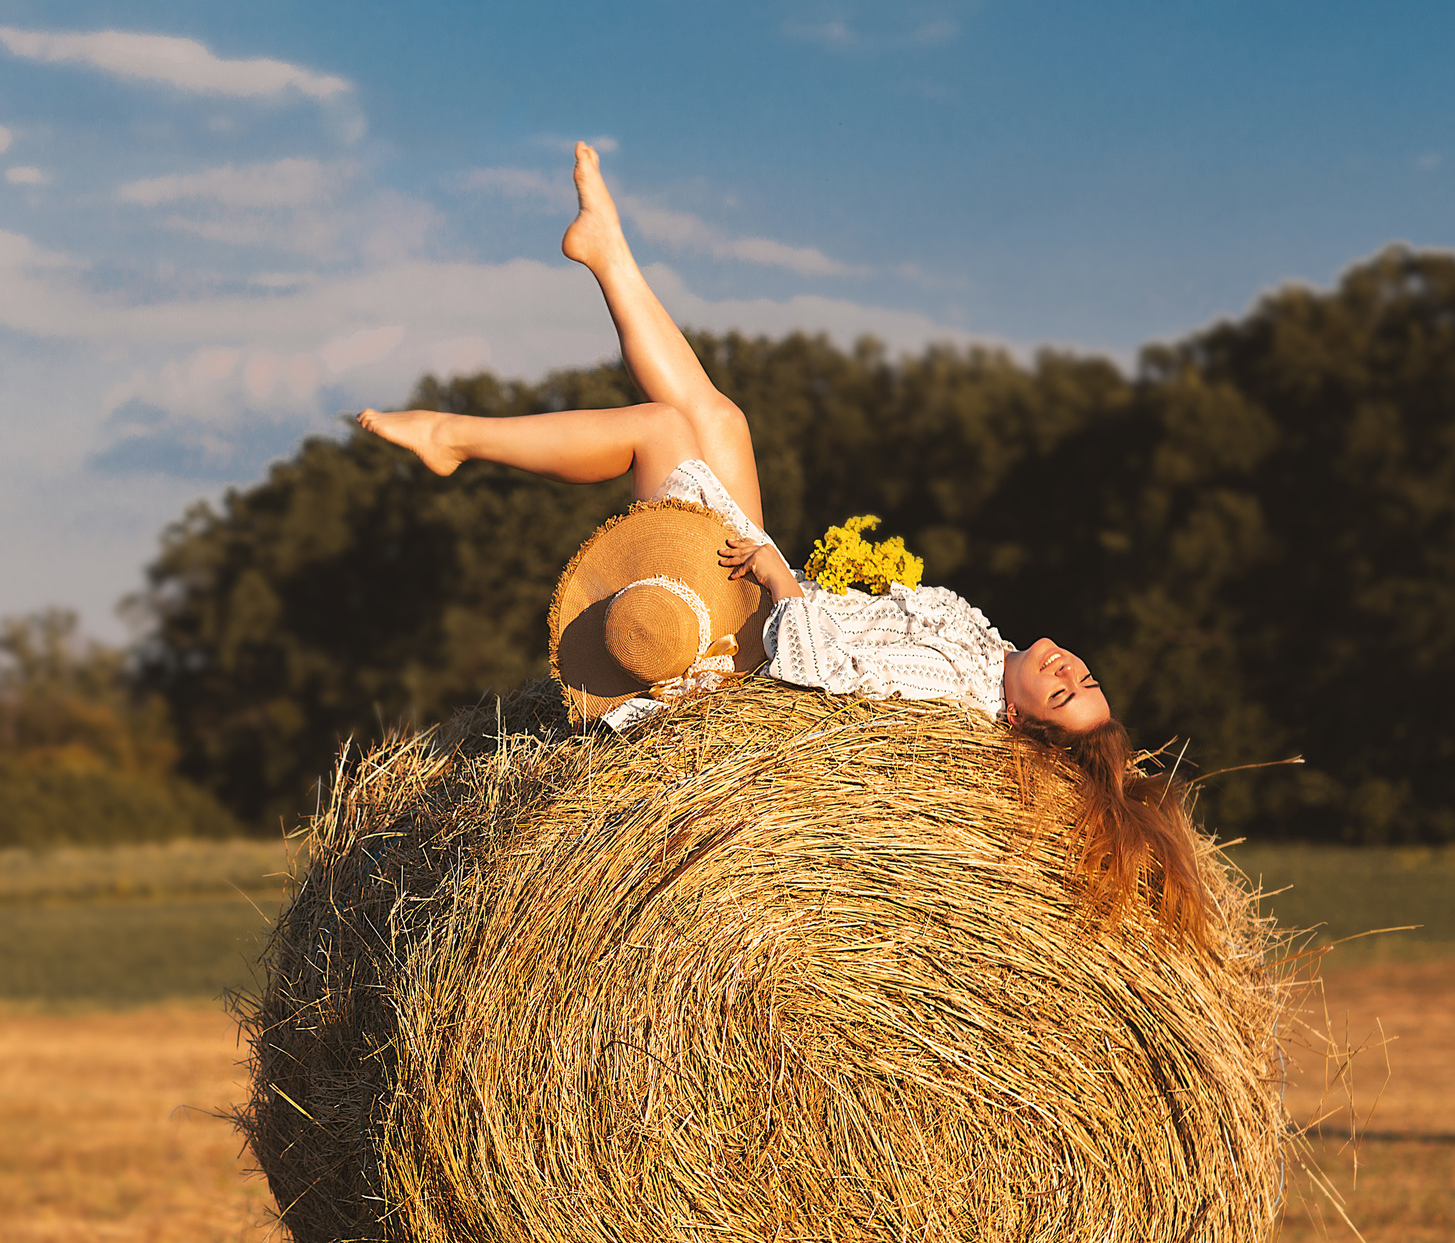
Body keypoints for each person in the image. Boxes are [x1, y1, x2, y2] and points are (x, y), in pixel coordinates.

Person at [357, 143, 1208, 943]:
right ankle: (607, 254)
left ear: (1022, 718)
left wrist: (780, 580)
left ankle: (454, 436)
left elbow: (828, 674)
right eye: (1082, 676)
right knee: (722, 419)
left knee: (661, 431)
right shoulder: (985, 652)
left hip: (741, 647)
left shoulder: (957, 685)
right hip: (771, 598)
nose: (1067, 670)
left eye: (1063, 696)